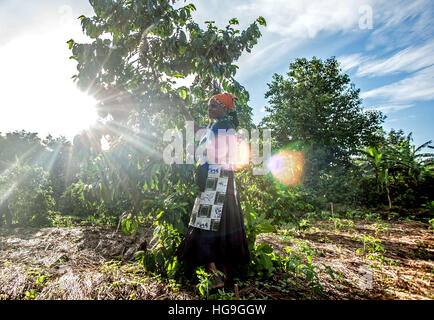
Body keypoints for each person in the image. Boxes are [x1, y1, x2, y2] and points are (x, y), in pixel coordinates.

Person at [175, 93, 250, 289]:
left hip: (215, 179)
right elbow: (197, 130)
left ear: (225, 109)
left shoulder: (223, 125)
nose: (210, 108)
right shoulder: (216, 126)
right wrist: (183, 109)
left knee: (204, 222)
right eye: (208, 105)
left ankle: (215, 275)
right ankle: (224, 275)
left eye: (214, 105)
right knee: (221, 223)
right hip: (220, 180)